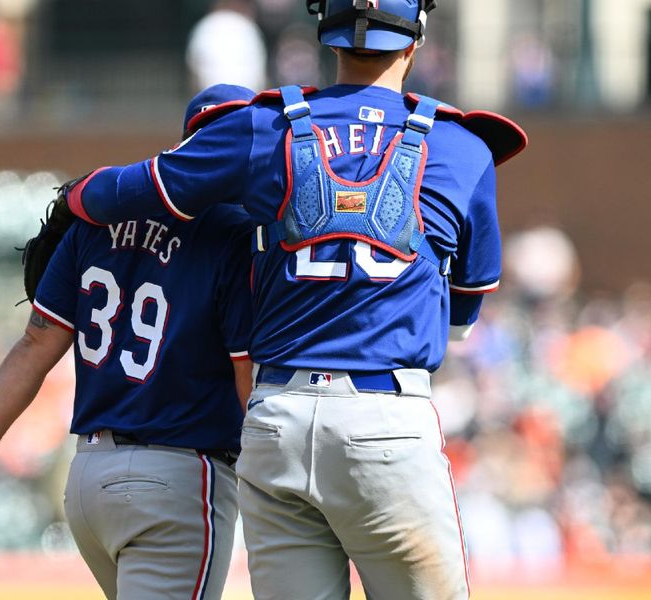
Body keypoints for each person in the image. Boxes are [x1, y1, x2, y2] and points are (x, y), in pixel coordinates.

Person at [34, 2, 529, 598]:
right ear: (416, 39)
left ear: (327, 33)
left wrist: (74, 198)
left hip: (277, 422)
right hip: (387, 419)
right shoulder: (462, 146)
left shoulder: (265, 125)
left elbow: (144, 187)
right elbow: (462, 319)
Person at [0, 84, 257, 600]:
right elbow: (247, 376)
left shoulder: (99, 216)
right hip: (177, 480)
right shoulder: (235, 230)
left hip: (89, 481)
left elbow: (34, 347)